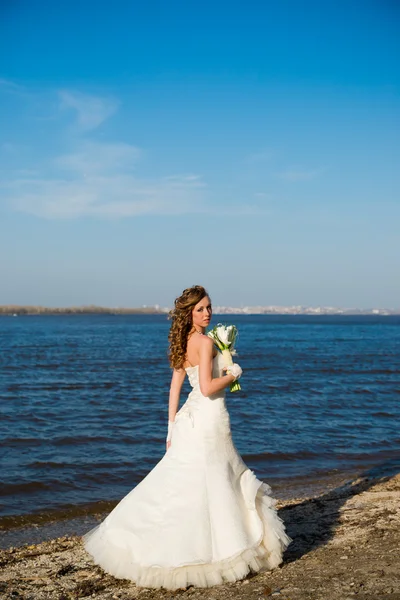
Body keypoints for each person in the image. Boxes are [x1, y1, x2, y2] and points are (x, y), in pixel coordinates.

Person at [83, 285, 292, 590]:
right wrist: (234, 373)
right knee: (215, 480)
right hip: (207, 419)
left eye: (208, 307)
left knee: (186, 482)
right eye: (200, 309)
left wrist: (170, 427)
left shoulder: (184, 340)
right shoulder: (205, 342)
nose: (207, 313)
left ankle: (161, 540)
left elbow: (175, 387)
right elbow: (207, 388)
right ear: (189, 313)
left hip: (188, 419)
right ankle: (218, 548)